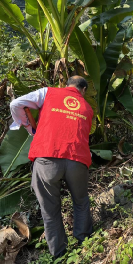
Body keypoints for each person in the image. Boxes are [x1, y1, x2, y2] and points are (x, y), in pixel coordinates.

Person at [10, 76, 93, 258]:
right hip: (77, 160)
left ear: (66, 85)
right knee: (80, 202)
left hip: (47, 157)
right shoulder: (87, 108)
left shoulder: (48, 93)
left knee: (50, 210)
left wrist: (28, 127)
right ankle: (85, 245)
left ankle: (60, 255)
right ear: (83, 90)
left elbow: (16, 104)